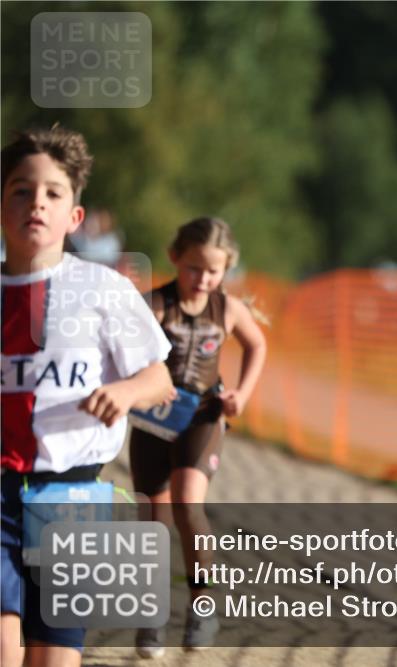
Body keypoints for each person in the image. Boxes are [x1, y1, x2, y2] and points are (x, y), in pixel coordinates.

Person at [1, 126, 173, 667]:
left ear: (75, 216)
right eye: (22, 191)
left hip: (71, 497)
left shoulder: (103, 290)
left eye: (54, 193)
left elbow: (159, 380)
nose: (37, 203)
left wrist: (124, 391)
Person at [128, 216, 267, 657]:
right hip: (153, 420)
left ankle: (203, 605)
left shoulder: (226, 309)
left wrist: (241, 394)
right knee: (153, 518)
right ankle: (151, 618)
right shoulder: (153, 305)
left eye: (213, 271)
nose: (203, 279)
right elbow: (121, 352)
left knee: (189, 502)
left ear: (226, 269)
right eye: (194, 268)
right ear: (174, 258)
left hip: (203, 416)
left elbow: (256, 345)